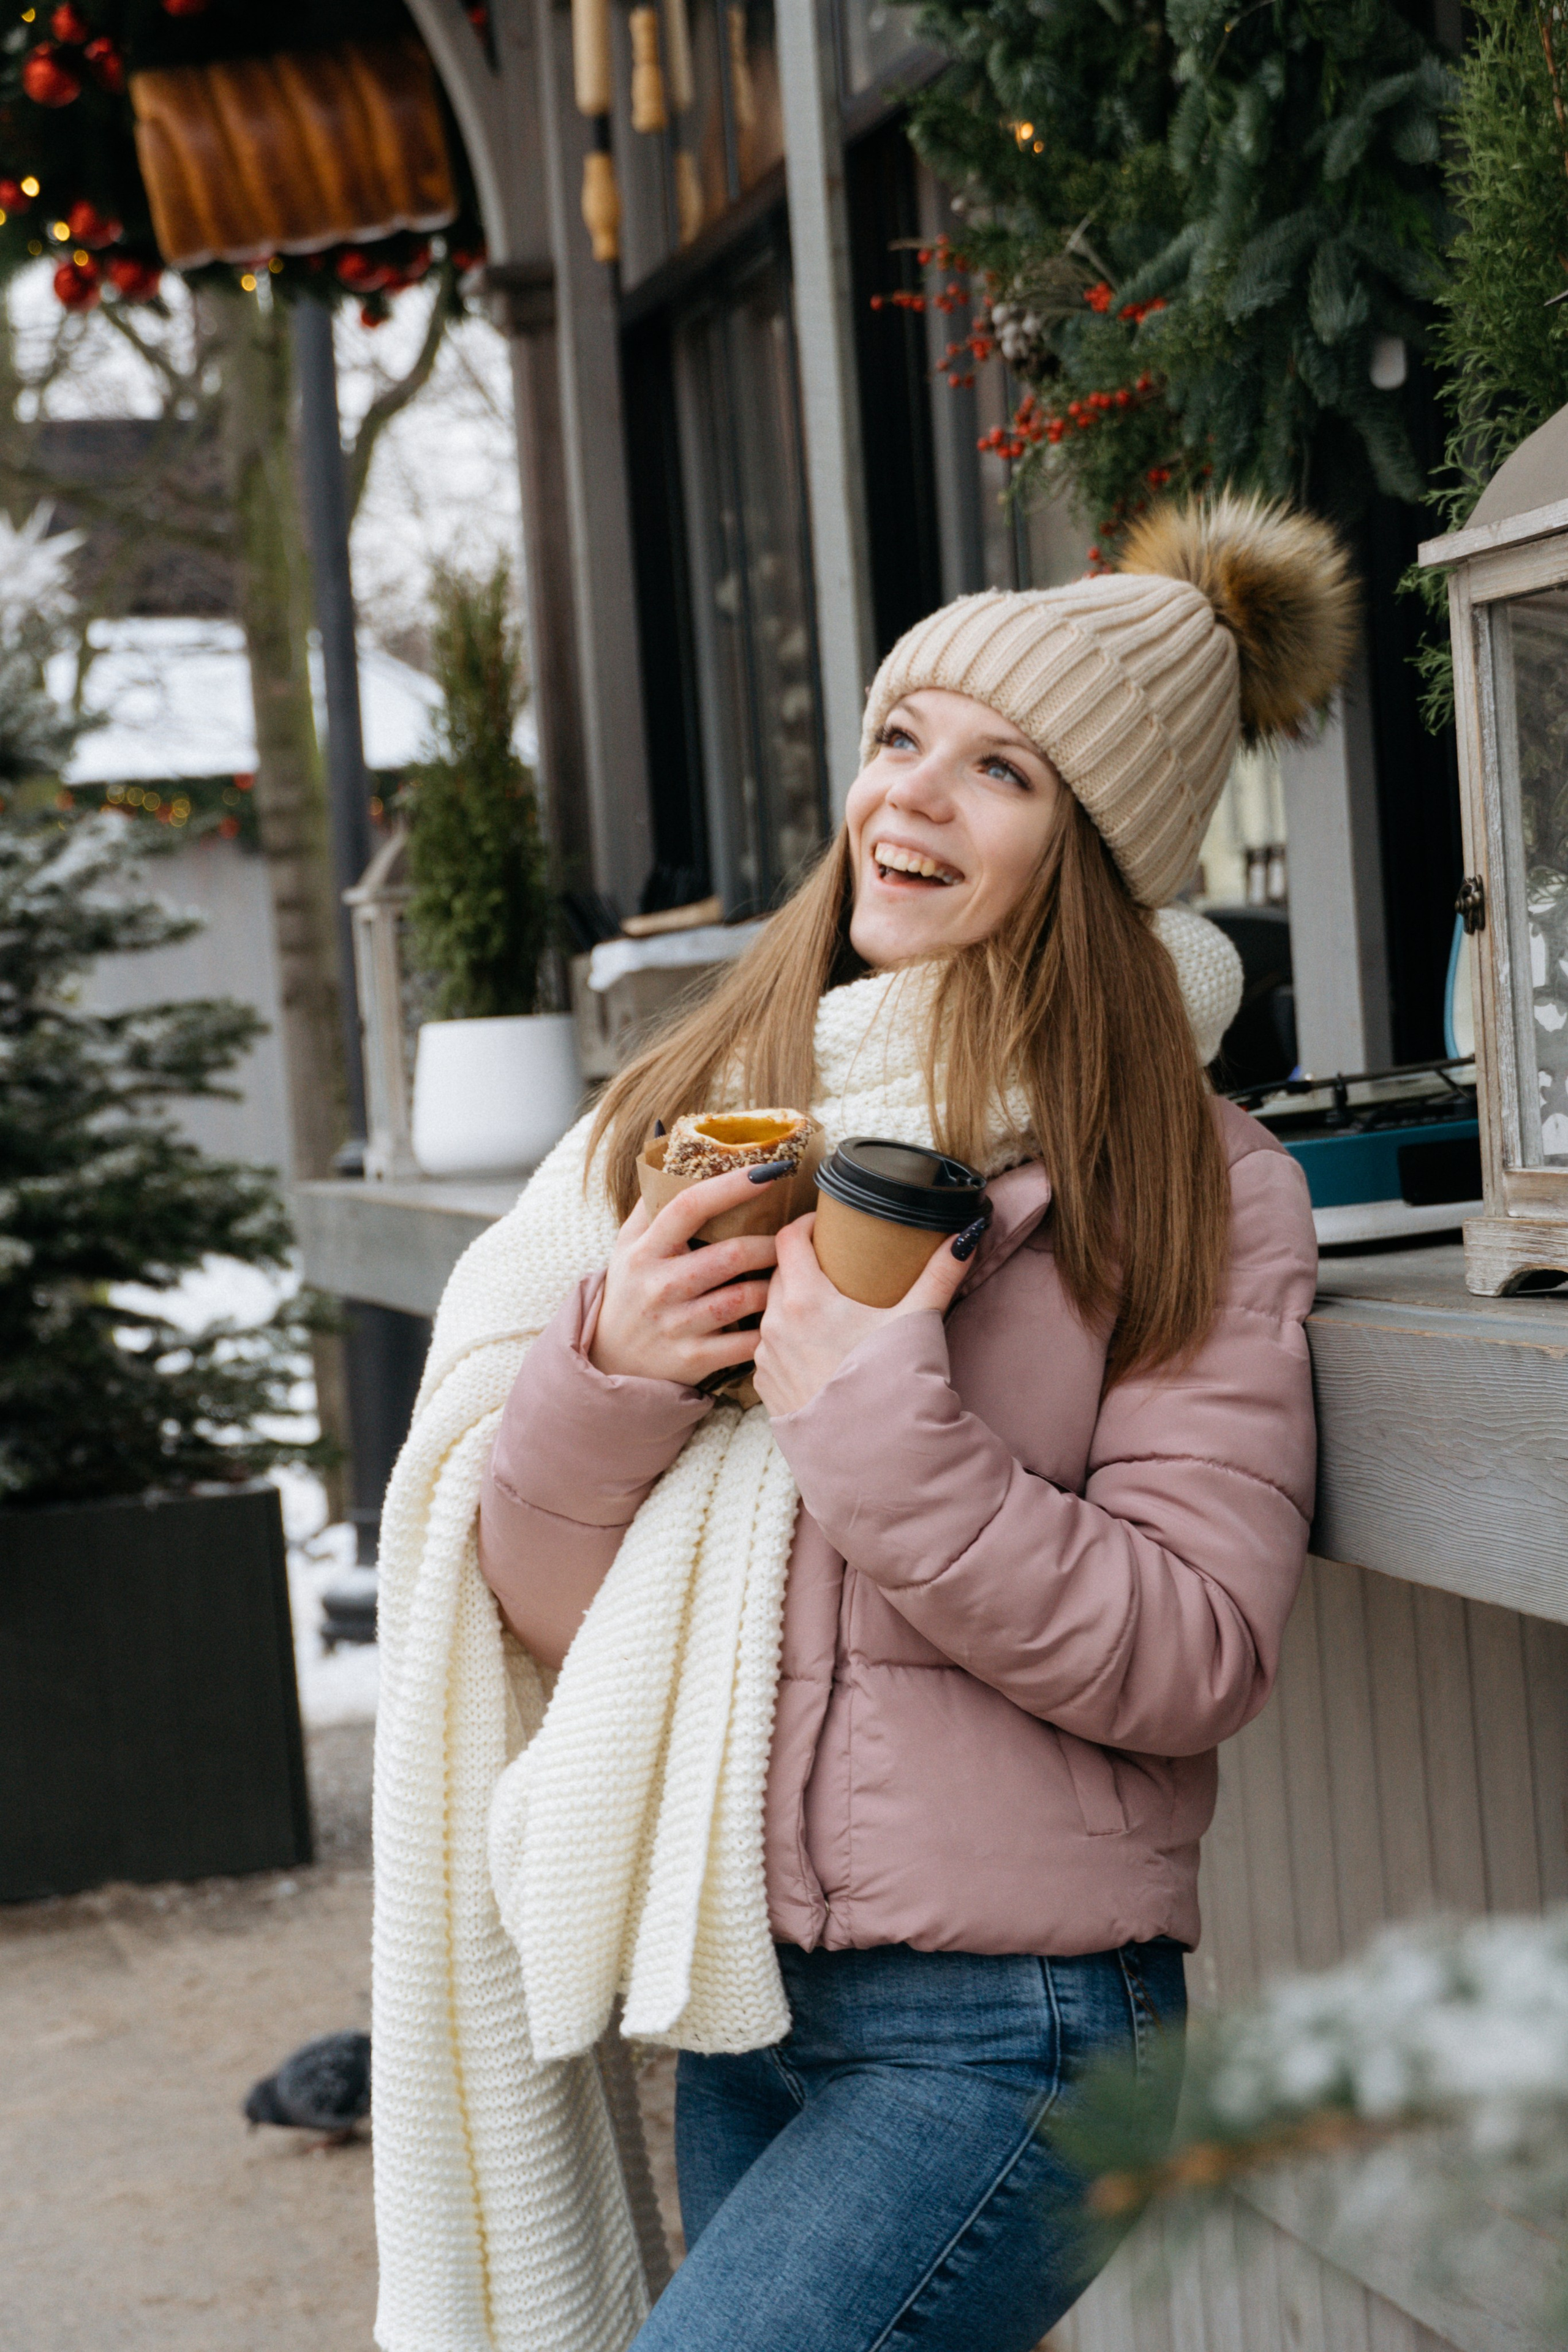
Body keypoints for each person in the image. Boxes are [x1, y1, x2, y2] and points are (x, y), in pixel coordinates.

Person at [371, 492, 1348, 2352]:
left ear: (1097, 850)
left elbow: (1196, 1650)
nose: (912, 796)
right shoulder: (731, 1107)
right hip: (747, 2001)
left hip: (1021, 2038)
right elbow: (554, 1620)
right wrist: (618, 1376)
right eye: (901, 737)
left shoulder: (1189, 1182)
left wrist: (872, 1414)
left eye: (1003, 771)